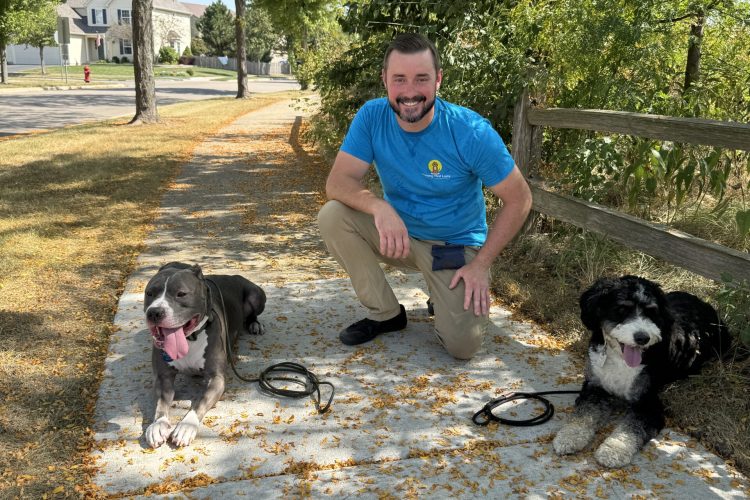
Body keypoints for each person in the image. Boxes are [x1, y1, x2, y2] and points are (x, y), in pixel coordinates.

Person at [317, 33, 532, 360]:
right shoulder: (372, 116)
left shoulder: (469, 131)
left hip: (453, 247)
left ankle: (444, 293)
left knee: (462, 348)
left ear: (438, 80)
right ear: (385, 81)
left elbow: (520, 199)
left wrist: (482, 264)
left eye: (421, 79)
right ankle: (385, 313)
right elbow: (338, 182)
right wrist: (379, 207)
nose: (410, 91)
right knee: (333, 216)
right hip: (399, 236)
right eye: (399, 79)